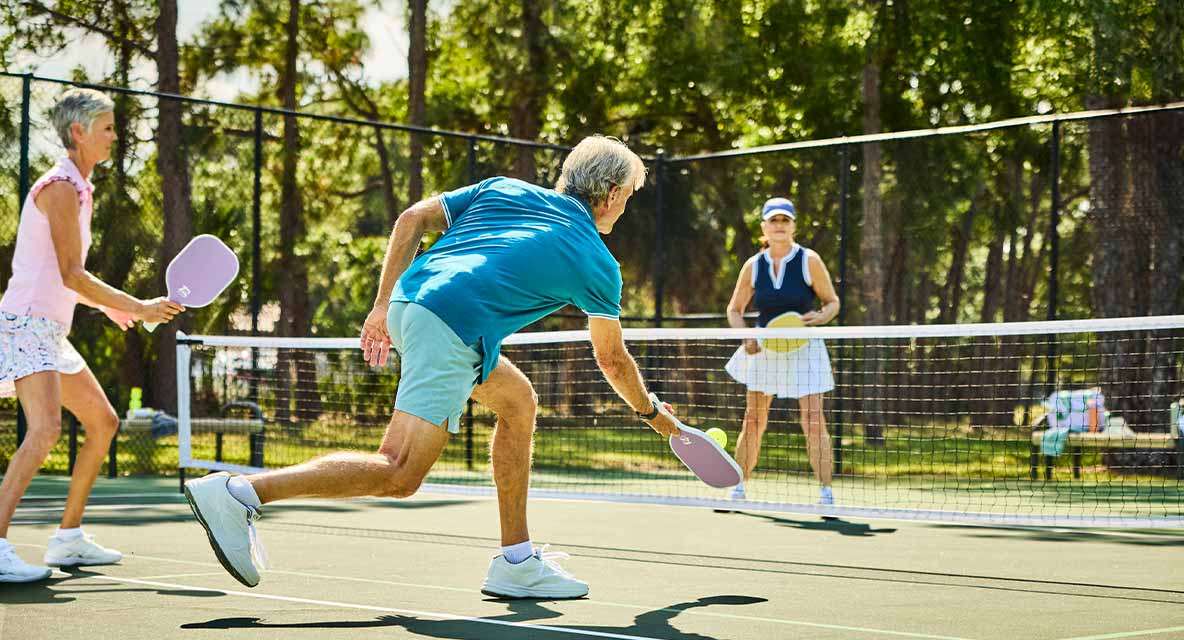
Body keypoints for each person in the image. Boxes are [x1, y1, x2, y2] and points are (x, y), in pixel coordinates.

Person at [184, 135, 680, 598]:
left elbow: (411, 219)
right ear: (612, 194)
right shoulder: (596, 259)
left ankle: (516, 561)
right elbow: (611, 358)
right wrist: (651, 412)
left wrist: (382, 306)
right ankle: (240, 492)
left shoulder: (503, 188)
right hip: (450, 327)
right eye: (629, 196)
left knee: (518, 401)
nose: (626, 206)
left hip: (411, 304)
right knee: (399, 473)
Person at [0, 88, 184, 582]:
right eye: (106, 128)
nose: (115, 137)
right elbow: (70, 273)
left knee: (101, 422)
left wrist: (107, 308)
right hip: (24, 326)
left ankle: (67, 539)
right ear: (78, 133)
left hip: (50, 329)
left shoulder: (82, 187)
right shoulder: (59, 187)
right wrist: (137, 307)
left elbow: (63, 275)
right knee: (45, 430)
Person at [723, 197, 839, 505]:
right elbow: (734, 309)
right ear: (764, 226)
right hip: (765, 349)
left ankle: (826, 493)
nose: (779, 226)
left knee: (814, 420)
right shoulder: (753, 265)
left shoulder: (809, 260)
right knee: (754, 420)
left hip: (804, 348)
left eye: (785, 221)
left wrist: (821, 317)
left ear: (793, 226)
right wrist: (745, 335)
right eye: (773, 221)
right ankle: (737, 487)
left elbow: (832, 303)